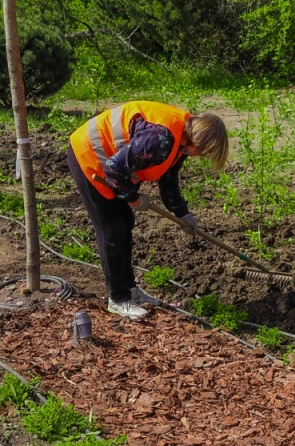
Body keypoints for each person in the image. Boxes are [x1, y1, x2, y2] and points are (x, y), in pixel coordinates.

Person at [69, 101, 228, 319]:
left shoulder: (181, 140)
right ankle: (118, 299)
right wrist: (132, 198)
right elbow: (114, 169)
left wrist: (182, 213)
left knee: (125, 223)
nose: (202, 156)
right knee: (113, 230)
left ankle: (130, 290)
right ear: (199, 141)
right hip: (90, 157)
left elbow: (168, 179)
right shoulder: (160, 139)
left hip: (112, 164)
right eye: (205, 151)